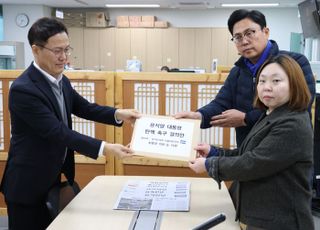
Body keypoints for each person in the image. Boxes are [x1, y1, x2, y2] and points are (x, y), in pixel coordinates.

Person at [0, 17, 141, 230]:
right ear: (36, 50)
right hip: (27, 184)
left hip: (53, 178)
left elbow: (85, 108)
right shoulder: (24, 89)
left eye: (67, 49)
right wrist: (106, 148)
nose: (64, 57)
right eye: (57, 51)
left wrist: (119, 114)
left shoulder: (61, 80)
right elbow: (58, 132)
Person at [189, 54, 314, 230]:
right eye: (262, 81)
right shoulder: (270, 114)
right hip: (261, 214)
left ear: (294, 84)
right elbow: (246, 153)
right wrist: (212, 151)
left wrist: (209, 164)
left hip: (281, 221)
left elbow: (253, 163)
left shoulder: (293, 123)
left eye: (276, 81)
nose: (267, 87)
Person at [174, 9, 315, 148]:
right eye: (238, 37)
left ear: (266, 32)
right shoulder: (238, 72)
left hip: (286, 148)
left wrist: (246, 119)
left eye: (250, 33)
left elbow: (298, 105)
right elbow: (221, 104)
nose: (245, 41)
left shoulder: (295, 63)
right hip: (248, 151)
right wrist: (199, 116)